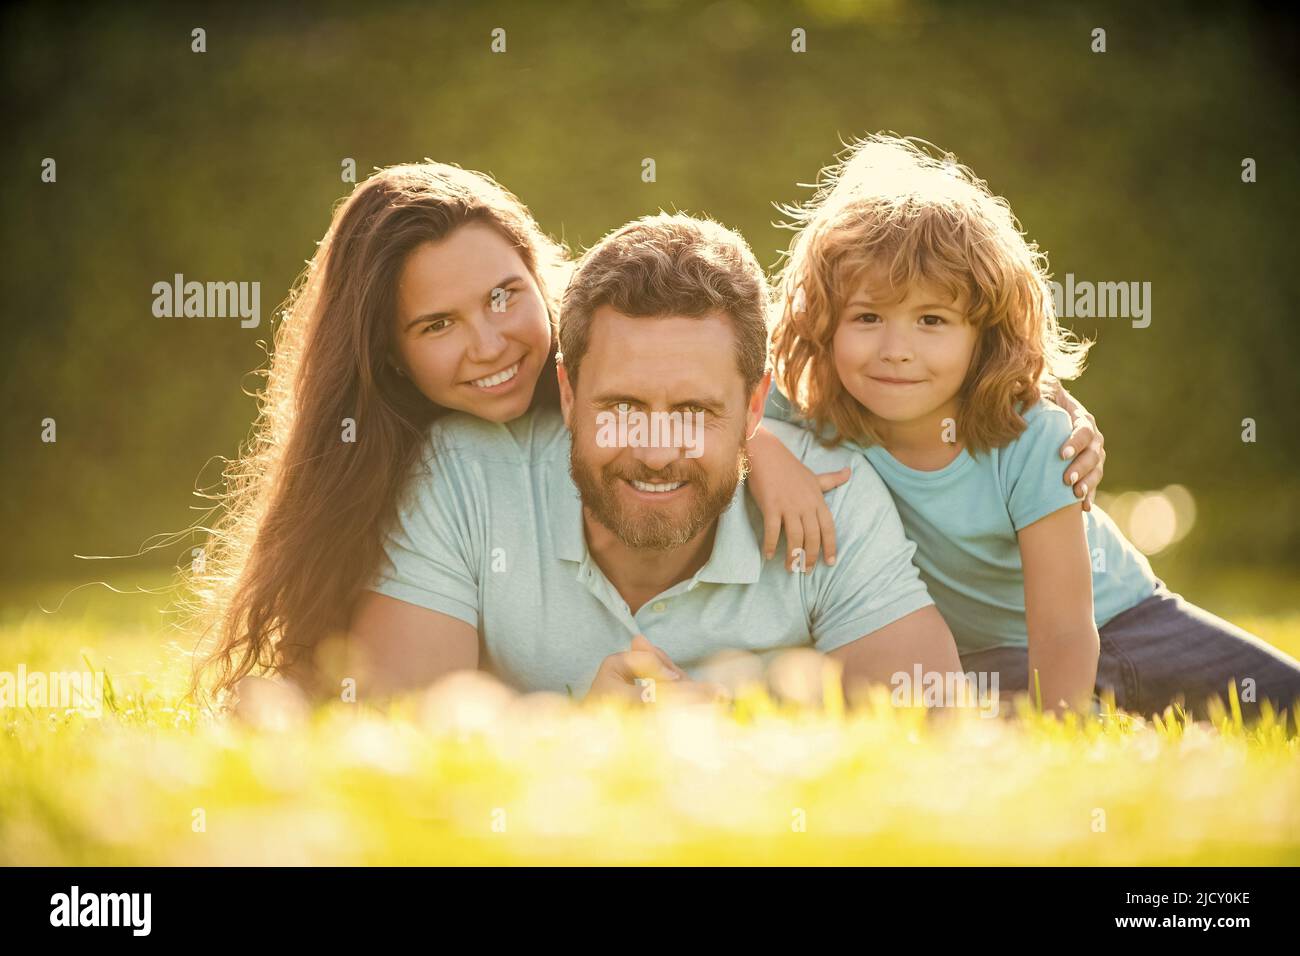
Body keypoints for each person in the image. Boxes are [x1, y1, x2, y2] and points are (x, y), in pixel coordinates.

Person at [761, 133, 1300, 718]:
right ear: (823, 323)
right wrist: (765, 456)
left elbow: (1068, 629)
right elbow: (729, 413)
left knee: (1283, 703)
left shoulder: (1030, 439)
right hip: (989, 656)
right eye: (867, 317)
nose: (896, 349)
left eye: (932, 320)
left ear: (984, 333)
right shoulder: (817, 411)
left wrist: (1057, 725)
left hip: (1122, 623)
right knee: (967, 716)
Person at [350, 213, 964, 705]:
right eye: (621, 406)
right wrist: (580, 738)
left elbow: (933, 735)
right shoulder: (466, 475)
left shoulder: (831, 494)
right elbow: (398, 735)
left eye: (694, 412)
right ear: (566, 393)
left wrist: (743, 736)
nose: (656, 452)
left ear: (756, 409)